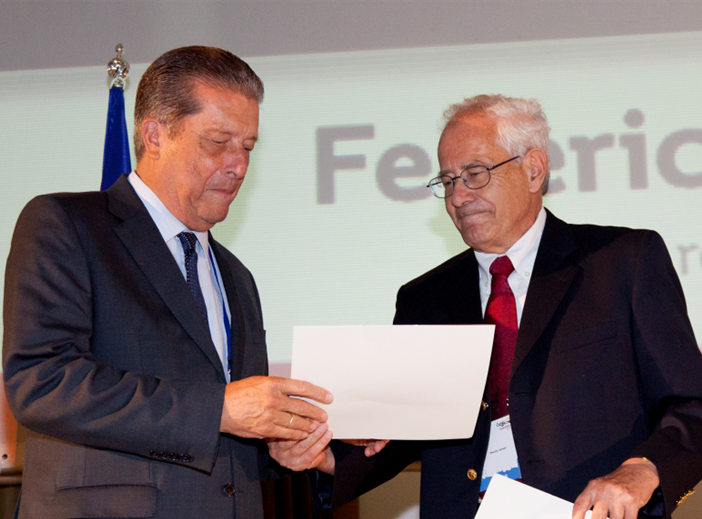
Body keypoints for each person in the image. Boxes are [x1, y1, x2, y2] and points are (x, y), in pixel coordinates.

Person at [268, 94, 702, 519]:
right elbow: (401, 434)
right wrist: (325, 458)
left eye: (474, 174)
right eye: (448, 180)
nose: (457, 197)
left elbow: (692, 405)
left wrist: (642, 472)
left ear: (533, 169)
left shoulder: (622, 261)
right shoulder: (425, 297)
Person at [2, 46, 332, 519]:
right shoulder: (66, 225)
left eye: (248, 147)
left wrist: (280, 449)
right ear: (154, 135)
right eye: (218, 142)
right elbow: (42, 382)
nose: (238, 165)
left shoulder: (237, 277)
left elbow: (229, 437)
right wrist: (220, 409)